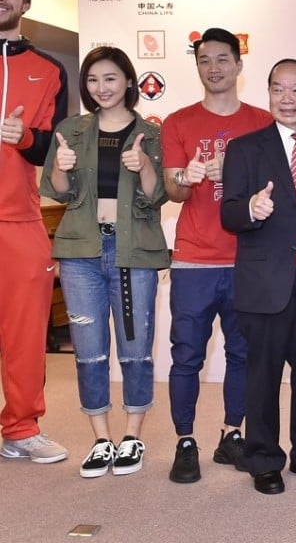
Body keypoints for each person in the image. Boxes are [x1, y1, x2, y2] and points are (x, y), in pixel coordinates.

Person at [40, 46, 170, 477]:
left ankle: (132, 434)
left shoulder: (151, 133)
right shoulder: (71, 130)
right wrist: (61, 165)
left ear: (129, 81)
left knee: (135, 350)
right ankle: (100, 437)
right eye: (94, 80)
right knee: (89, 352)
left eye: (111, 78)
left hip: (134, 254)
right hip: (81, 254)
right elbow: (57, 190)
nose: (102, 88)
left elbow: (158, 195)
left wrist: (144, 166)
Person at [221, 58, 296, 495]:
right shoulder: (245, 148)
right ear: (268, 93)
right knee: (263, 375)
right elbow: (229, 212)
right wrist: (251, 209)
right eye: (278, 89)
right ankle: (264, 459)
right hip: (265, 280)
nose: (287, 99)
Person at [161, 28, 272, 483]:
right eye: (205, 60)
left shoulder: (263, 122)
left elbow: (278, 188)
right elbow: (170, 190)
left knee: (243, 353)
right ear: (198, 66)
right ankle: (185, 440)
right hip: (194, 259)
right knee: (187, 354)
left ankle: (233, 434)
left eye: (223, 59)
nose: (214, 68)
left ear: (239, 65)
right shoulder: (178, 122)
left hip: (247, 258)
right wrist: (186, 178)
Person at [0, 0, 69, 464]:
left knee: (25, 330)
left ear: (25, 2)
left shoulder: (48, 69)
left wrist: (23, 137)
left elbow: (52, 147)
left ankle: (21, 427)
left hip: (18, 218)